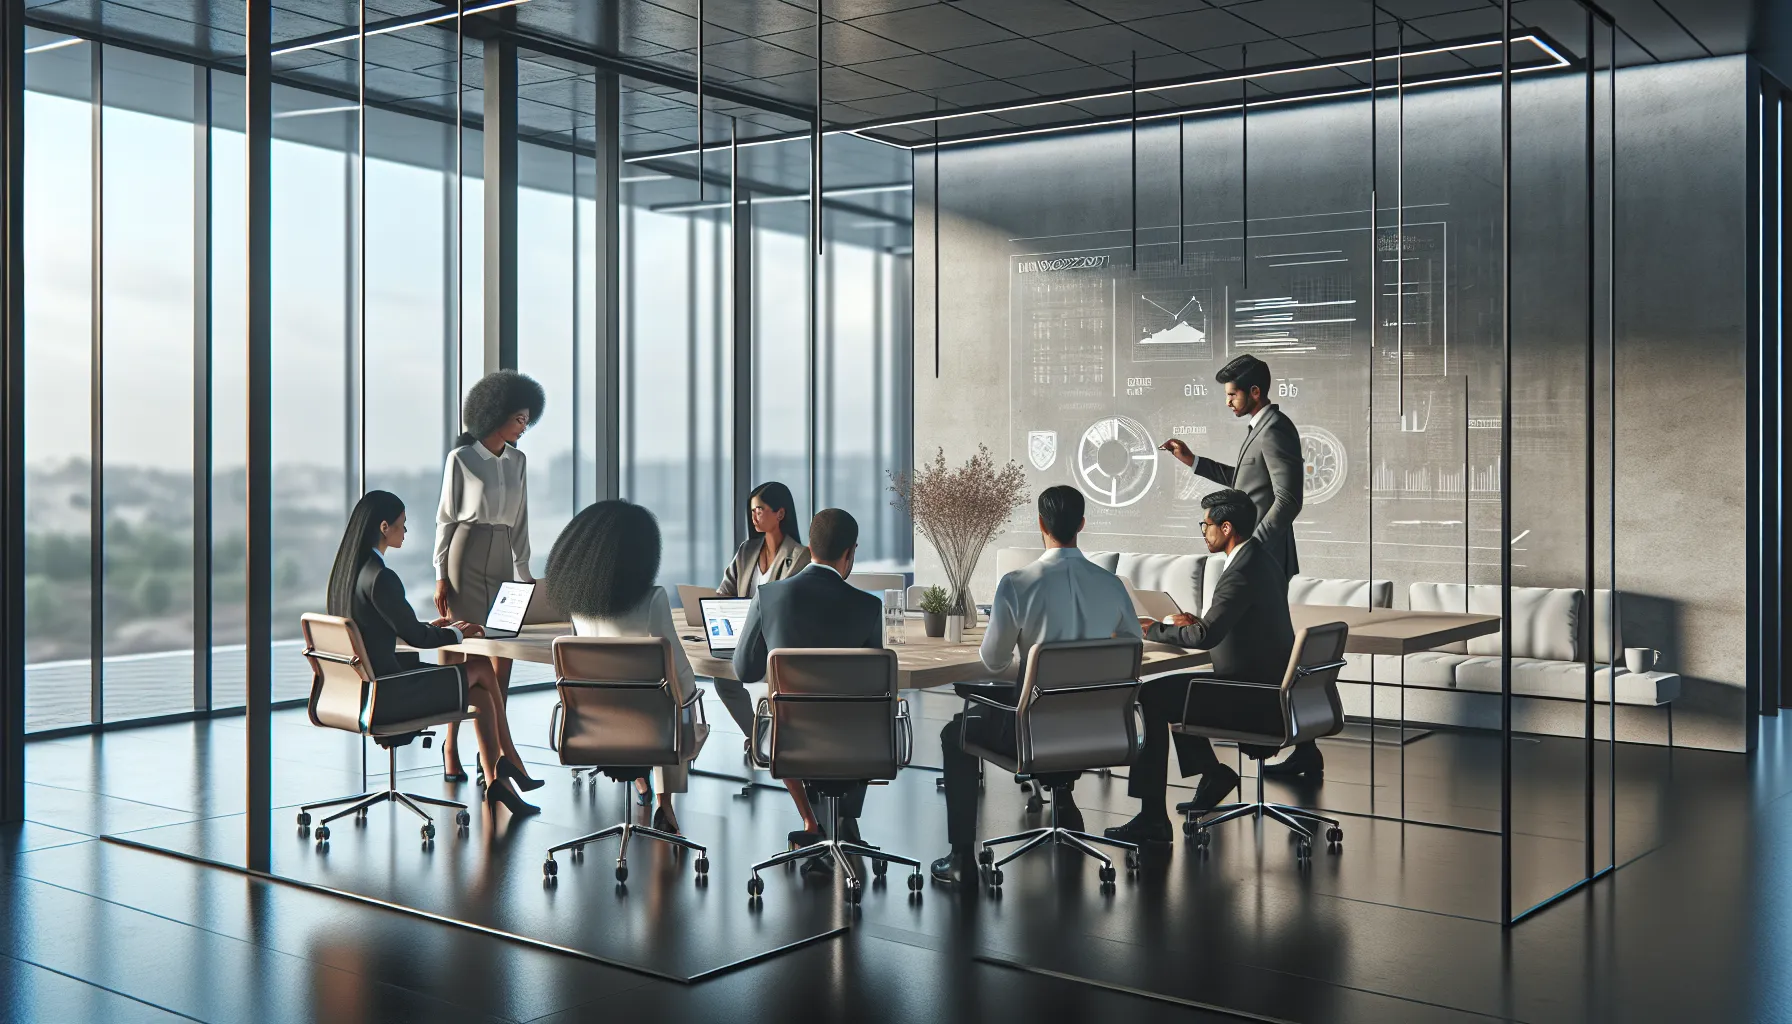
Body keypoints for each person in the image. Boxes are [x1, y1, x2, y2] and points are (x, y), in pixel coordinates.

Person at [930, 485, 1142, 889]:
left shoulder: (1018, 583)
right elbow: (1132, 652)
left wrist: (1032, 670)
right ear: (1082, 525)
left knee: (954, 732)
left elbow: (992, 662)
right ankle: (1063, 795)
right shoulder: (1112, 585)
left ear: (1040, 524)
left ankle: (961, 859)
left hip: (1032, 736)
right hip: (1100, 733)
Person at [326, 490, 540, 818]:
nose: (406, 532)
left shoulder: (346, 575)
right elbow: (416, 637)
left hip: (360, 693)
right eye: (402, 525)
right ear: (384, 527)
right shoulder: (382, 577)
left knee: (481, 695)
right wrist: (456, 631)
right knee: (481, 667)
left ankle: (500, 782)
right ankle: (508, 758)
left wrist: (432, 627)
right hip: (390, 696)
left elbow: (385, 627)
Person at [1159, 353, 1320, 779]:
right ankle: (1302, 749)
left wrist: (1253, 547)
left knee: (1260, 649)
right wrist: (1193, 462)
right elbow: (1244, 482)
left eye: (1232, 394)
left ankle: (1264, 731)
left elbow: (1288, 498)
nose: (1227, 402)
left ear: (1255, 392)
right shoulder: (1261, 429)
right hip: (1258, 552)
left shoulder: (1276, 429)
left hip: (1264, 554)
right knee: (1261, 643)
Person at [1103, 488, 1294, 845]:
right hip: (1267, 689)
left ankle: (1152, 818)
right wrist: (1192, 622)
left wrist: (1153, 628)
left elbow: (1205, 638)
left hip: (1250, 697)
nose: (1203, 532)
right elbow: (1234, 623)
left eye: (1205, 525)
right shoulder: (1261, 560)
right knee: (1177, 692)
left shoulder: (1241, 570)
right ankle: (1212, 774)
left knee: (1152, 695)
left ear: (1226, 528)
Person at [730, 508, 881, 870]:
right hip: (855, 742)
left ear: (810, 547)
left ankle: (820, 822)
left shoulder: (769, 597)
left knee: (787, 718)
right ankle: (843, 820)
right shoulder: (868, 606)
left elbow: (744, 670)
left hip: (789, 738)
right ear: (851, 553)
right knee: (860, 716)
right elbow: (874, 686)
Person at [546, 500, 703, 836]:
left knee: (662, 706)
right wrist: (691, 697)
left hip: (594, 728)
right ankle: (665, 806)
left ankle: (645, 788)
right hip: (648, 730)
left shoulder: (579, 607)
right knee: (676, 708)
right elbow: (677, 672)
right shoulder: (653, 599)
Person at [432, 370, 545, 786]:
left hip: (502, 559)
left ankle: (494, 754)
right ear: (495, 414)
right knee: (465, 654)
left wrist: (524, 573)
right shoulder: (461, 460)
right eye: (519, 418)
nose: (524, 427)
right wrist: (440, 573)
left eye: (527, 419)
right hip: (465, 551)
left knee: (503, 659)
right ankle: (455, 746)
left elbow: (521, 521)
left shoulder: (519, 462)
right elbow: (445, 519)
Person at [717, 481, 811, 599]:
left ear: (780, 514)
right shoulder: (746, 550)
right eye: (752, 512)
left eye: (759, 511)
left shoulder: (800, 556)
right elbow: (724, 591)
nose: (754, 518)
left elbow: (790, 603)